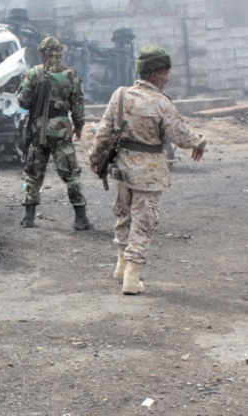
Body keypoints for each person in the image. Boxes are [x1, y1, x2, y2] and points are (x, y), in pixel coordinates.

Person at [88, 45, 207, 295]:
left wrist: (95, 157)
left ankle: (120, 265)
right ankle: (132, 275)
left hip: (122, 169)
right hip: (149, 174)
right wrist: (199, 141)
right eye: (165, 72)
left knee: (123, 215)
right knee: (144, 222)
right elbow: (180, 135)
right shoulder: (161, 103)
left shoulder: (120, 95)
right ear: (154, 74)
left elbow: (104, 132)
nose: (168, 77)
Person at [17, 36, 93, 230]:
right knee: (71, 173)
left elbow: (23, 102)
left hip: (37, 130)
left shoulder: (34, 73)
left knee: (33, 173)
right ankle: (81, 219)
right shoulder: (71, 75)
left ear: (43, 53)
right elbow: (78, 105)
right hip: (60, 131)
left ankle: (29, 217)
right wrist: (79, 126)